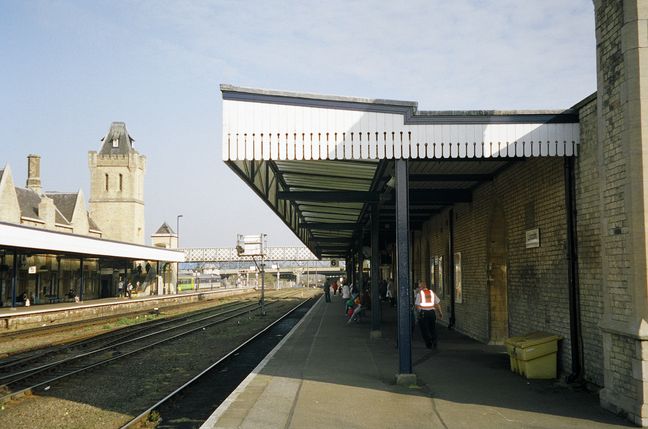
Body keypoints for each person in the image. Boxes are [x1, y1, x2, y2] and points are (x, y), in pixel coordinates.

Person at [414, 281, 443, 349]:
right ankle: (434, 342)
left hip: (424, 313)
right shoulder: (432, 293)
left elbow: (417, 306)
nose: (418, 288)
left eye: (419, 286)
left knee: (424, 329)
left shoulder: (420, 294)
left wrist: (419, 313)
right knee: (432, 328)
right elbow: (437, 304)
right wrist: (440, 313)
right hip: (432, 313)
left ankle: (429, 343)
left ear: (421, 287)